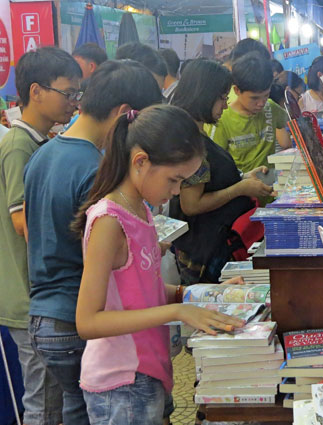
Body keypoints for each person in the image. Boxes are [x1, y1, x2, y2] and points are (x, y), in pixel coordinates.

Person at [69, 104, 245, 425]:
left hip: (147, 371)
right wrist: (177, 311)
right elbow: (88, 321)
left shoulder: (141, 209)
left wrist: (201, 295)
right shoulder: (109, 220)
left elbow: (140, 290)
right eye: (174, 180)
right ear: (140, 162)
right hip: (120, 382)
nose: (177, 191)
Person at [24, 60, 163, 425]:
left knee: (74, 409)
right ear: (123, 115)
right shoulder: (96, 170)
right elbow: (104, 256)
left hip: (44, 315)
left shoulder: (44, 153)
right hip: (79, 316)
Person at [0, 46, 81, 425]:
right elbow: (23, 224)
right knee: (44, 403)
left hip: (40, 293)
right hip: (27, 297)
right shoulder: (18, 145)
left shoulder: (41, 140)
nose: (73, 102)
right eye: (67, 93)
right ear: (36, 91)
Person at [169, 59, 273, 284]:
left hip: (213, 243)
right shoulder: (190, 141)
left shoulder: (194, 132)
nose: (225, 105)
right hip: (203, 250)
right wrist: (239, 188)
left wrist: (244, 178)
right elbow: (191, 204)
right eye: (222, 98)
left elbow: (212, 182)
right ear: (205, 94)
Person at [209, 52, 291, 174]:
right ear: (236, 90)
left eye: (266, 95)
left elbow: (295, 123)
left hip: (272, 186)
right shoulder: (222, 120)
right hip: (240, 188)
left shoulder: (270, 107)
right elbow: (216, 164)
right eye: (254, 98)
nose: (261, 103)